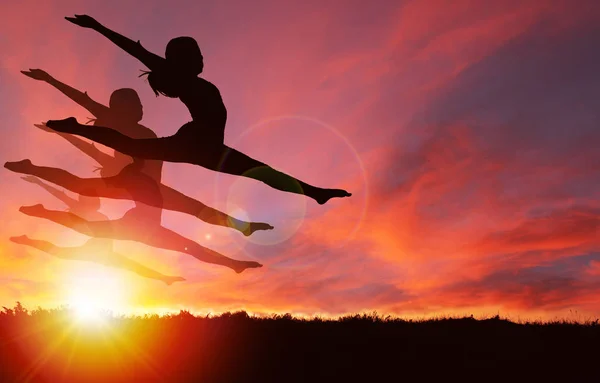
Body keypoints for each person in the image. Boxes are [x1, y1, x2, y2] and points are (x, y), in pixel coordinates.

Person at [45, 14, 351, 205]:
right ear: (185, 59)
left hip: (209, 149)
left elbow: (139, 52)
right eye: (197, 53)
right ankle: (75, 126)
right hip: (197, 142)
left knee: (264, 174)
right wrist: (98, 26)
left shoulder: (194, 83)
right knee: (130, 145)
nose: (203, 57)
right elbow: (136, 50)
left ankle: (315, 193)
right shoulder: (184, 79)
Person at [7, 69, 272, 236]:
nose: (142, 108)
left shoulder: (144, 132)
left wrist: (242, 226)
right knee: (82, 186)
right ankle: (32, 167)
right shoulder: (121, 123)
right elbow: (82, 100)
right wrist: (51, 80)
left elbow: (191, 204)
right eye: (135, 104)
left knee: (194, 208)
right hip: (136, 185)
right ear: (123, 108)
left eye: (140, 104)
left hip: (145, 188)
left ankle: (243, 227)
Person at [10, 176, 185, 285]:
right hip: (98, 250)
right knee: (132, 266)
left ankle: (164, 279)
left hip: (99, 251)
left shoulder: (98, 215)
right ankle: (35, 225)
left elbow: (61, 195)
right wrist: (40, 181)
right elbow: (60, 194)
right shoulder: (85, 210)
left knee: (60, 252)